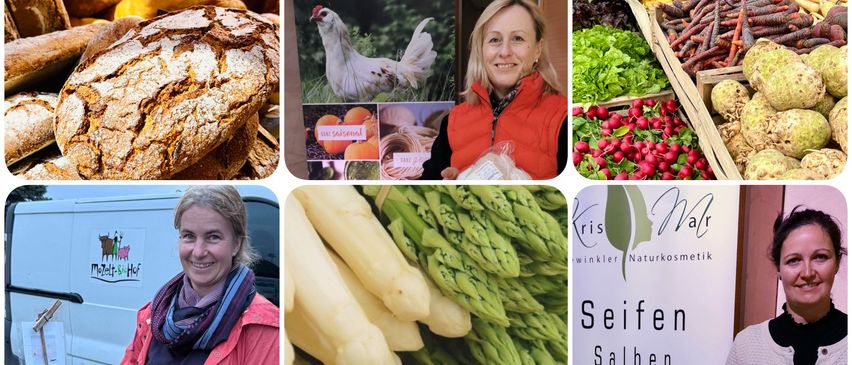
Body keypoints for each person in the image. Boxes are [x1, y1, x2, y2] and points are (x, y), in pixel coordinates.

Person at [121, 186, 279, 364]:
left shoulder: (265, 328)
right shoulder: (154, 314)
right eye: (189, 236)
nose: (198, 251)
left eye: (213, 237)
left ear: (236, 244)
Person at [420, 0, 567, 180]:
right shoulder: (453, 121)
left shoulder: (563, 118)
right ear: (481, 50)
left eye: (518, 38)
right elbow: (426, 187)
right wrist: (446, 188)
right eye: (494, 40)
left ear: (537, 49)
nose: (505, 51)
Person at [726, 207, 847, 365]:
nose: (807, 272)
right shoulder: (747, 346)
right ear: (778, 269)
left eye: (820, 257)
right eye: (793, 260)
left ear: (837, 263)